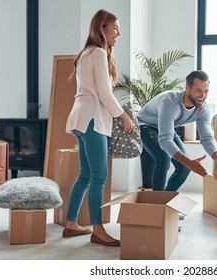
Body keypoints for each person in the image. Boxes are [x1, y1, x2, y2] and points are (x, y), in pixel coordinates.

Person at [62, 9, 134, 247]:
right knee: (99, 176)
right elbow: (104, 93)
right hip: (93, 119)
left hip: (81, 119)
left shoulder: (85, 53)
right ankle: (98, 230)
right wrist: (124, 116)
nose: (118, 33)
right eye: (115, 28)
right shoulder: (100, 53)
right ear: (102, 28)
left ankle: (71, 223)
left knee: (85, 175)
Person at [136, 70, 217, 192]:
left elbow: (206, 136)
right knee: (164, 159)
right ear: (187, 88)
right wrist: (190, 163)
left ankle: (165, 200)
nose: (203, 95)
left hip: (166, 128)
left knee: (184, 168)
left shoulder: (203, 108)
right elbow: (165, 140)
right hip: (146, 125)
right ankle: (157, 204)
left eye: (206, 91)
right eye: (199, 90)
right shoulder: (170, 101)